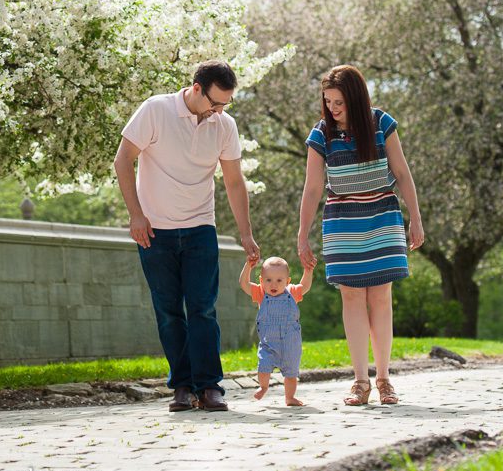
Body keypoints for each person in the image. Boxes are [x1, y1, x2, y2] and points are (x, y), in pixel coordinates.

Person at [113, 60, 260, 412]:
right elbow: (123, 160)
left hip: (200, 229)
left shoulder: (224, 126)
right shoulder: (155, 110)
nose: (219, 111)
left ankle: (209, 386)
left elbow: (235, 181)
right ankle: (181, 387)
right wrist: (136, 215)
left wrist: (246, 234)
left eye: (226, 104)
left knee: (202, 309)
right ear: (196, 88)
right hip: (155, 231)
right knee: (168, 311)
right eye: (215, 102)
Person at [297, 65, 424, 406]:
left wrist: (416, 218)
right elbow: (312, 189)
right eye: (328, 102)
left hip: (383, 218)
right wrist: (302, 235)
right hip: (342, 223)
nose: (333, 109)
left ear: (355, 97)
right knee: (352, 297)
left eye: (338, 102)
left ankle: (384, 379)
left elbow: (401, 172)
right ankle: (360, 382)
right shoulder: (321, 134)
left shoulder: (381, 123)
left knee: (381, 297)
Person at [239, 255, 316, 406]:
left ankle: (290, 397)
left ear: (287, 282)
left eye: (279, 280)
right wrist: (248, 266)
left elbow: (305, 286)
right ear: (261, 281)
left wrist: (308, 271)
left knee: (291, 373)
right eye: (268, 280)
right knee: (263, 366)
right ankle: (263, 386)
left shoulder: (292, 292)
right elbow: (244, 284)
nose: (273, 284)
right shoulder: (261, 293)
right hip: (269, 343)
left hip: (290, 343)